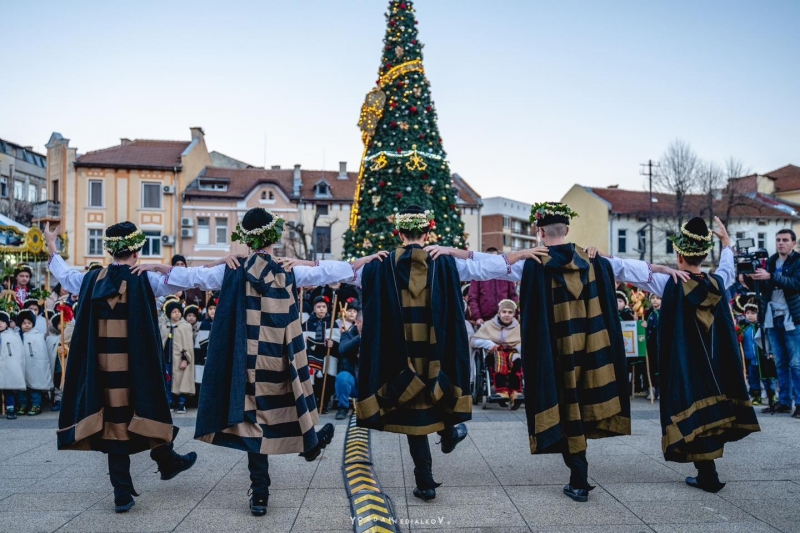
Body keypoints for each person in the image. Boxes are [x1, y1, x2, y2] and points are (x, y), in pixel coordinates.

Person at [131, 207, 386, 516]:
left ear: (247, 239)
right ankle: (311, 444)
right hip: (281, 358)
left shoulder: (232, 269)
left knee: (253, 424)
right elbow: (329, 271)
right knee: (293, 404)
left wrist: (159, 265)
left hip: (247, 360)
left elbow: (192, 277)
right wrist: (361, 261)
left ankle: (261, 494)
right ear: (272, 237)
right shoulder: (289, 268)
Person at [352, 205, 544, 502]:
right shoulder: (445, 262)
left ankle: (426, 481)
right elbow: (491, 267)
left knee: (413, 418)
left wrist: (359, 260)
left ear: (399, 232)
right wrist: (519, 254)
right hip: (435, 352)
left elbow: (336, 272)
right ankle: (450, 433)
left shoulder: (379, 264)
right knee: (441, 391)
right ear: (428, 231)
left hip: (401, 355)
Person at [597, 216, 760, 493]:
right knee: (710, 410)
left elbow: (627, 269)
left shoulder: (667, 282)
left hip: (684, 363)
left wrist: (599, 257)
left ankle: (707, 474)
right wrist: (728, 243)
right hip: (713, 363)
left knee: (690, 408)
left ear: (678, 253)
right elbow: (727, 269)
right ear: (704, 254)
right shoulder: (717, 283)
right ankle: (707, 473)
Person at [44, 221, 197, 513]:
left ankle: (123, 493)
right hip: (137, 366)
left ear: (110, 249)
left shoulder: (91, 279)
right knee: (147, 407)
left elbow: (64, 276)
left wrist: (53, 245)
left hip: (103, 370)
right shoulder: (146, 279)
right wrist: (164, 267)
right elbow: (189, 280)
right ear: (137, 250)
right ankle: (167, 461)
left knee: (114, 425)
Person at [488, 202, 632, 503]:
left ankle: (579, 479)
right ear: (567, 229)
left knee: (566, 410)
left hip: (557, 353)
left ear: (539, 232)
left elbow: (529, 313)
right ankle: (578, 477)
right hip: (593, 353)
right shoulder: (596, 263)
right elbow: (636, 273)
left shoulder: (535, 264)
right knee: (581, 407)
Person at [746, 229, 800, 418]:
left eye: (785, 240)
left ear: (793, 243)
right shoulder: (770, 262)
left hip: (793, 318)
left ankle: (799, 403)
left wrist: (771, 276)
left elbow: (795, 284)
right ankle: (784, 402)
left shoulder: (798, 261)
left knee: (796, 363)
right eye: (778, 240)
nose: (780, 243)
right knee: (780, 362)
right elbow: (765, 289)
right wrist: (751, 279)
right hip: (772, 316)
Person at [470, 299, 523, 409]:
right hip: (494, 352)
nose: (506, 315)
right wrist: (489, 344)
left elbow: (523, 343)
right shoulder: (489, 325)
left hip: (512, 353)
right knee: (496, 359)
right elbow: (474, 341)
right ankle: (502, 391)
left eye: (510, 312)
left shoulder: (518, 327)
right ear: (499, 313)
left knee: (518, 361)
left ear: (514, 314)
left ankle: (515, 392)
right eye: (504, 312)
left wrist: (517, 348)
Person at [302, 295, 339, 411]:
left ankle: (325, 401)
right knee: (312, 378)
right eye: (319, 307)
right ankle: (313, 401)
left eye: (324, 306)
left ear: (327, 308)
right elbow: (302, 342)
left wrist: (333, 344)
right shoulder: (307, 324)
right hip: (312, 356)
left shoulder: (333, 324)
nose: (321, 309)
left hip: (327, 355)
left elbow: (338, 342)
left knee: (327, 378)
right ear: (314, 309)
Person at [467, 247, 519, 326]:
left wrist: (513, 314)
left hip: (505, 319)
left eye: (494, 258)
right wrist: (477, 317)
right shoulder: (478, 275)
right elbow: (473, 298)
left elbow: (513, 296)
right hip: (484, 320)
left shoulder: (506, 274)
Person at [741, 299, 777, 406]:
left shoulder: (762, 326)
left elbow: (769, 340)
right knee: (753, 379)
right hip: (751, 359)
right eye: (747, 313)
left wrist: (771, 351)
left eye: (753, 313)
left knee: (767, 377)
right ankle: (756, 396)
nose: (750, 315)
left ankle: (772, 395)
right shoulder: (744, 328)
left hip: (762, 357)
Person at [161, 300, 195, 414]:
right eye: (174, 312)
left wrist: (186, 359)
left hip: (181, 360)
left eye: (178, 312)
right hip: (167, 360)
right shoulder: (165, 326)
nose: (176, 314)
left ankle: (181, 403)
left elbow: (188, 344)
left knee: (182, 380)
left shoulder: (185, 326)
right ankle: (169, 402)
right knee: (168, 381)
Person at [15, 309, 49, 416]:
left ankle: (36, 405)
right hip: (21, 366)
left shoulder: (38, 336)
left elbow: (42, 353)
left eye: (29, 323)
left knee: (35, 386)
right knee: (22, 388)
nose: (27, 325)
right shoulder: (17, 336)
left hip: (34, 366)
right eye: (24, 323)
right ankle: (23, 405)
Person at [335, 309, 362, 420]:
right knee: (342, 378)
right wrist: (359, 338)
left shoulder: (376, 335)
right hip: (353, 378)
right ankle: (343, 407)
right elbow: (342, 350)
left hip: (370, 380)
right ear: (358, 323)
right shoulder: (347, 335)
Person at [0, 310, 26, 420]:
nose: (0, 323)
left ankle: (10, 408)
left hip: (7, 365)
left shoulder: (13, 336)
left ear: (7, 323)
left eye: (2, 321)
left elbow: (18, 352)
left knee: (8, 388)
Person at [644, 293, 662, 400]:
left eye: (658, 298)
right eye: (653, 298)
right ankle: (652, 389)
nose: (655, 300)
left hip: (660, 344)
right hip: (651, 345)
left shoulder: (664, 312)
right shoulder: (649, 313)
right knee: (651, 366)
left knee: (660, 367)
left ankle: (660, 390)